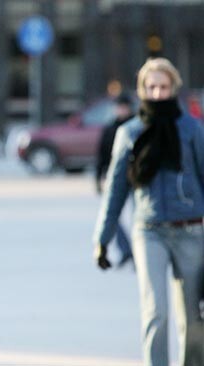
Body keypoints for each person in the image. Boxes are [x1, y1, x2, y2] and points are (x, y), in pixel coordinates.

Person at [93, 57, 204, 366]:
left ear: (173, 88)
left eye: (163, 86)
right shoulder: (129, 132)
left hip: (191, 230)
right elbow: (116, 189)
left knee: (193, 316)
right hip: (149, 231)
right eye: (151, 86)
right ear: (143, 89)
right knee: (156, 312)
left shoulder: (192, 129)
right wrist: (103, 238)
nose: (157, 93)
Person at [94, 92, 135, 268]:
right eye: (118, 107)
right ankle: (125, 249)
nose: (121, 110)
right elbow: (101, 155)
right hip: (116, 178)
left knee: (137, 217)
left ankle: (137, 252)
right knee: (112, 215)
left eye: (123, 106)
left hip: (136, 179)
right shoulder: (110, 128)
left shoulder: (137, 127)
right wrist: (98, 178)